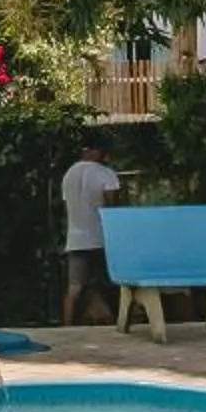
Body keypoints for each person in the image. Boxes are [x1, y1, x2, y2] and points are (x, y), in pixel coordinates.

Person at [59, 137, 122, 325]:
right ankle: (118, 322)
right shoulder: (106, 173)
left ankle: (66, 326)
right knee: (113, 283)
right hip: (101, 238)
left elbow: (67, 206)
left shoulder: (68, 174)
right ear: (98, 152)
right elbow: (112, 205)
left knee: (74, 288)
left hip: (75, 239)